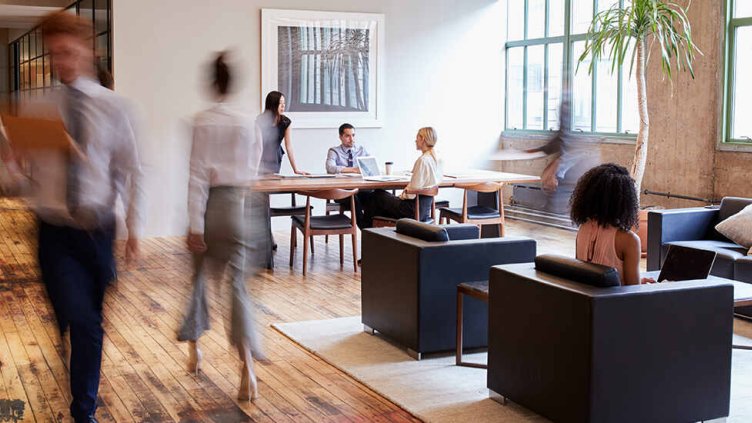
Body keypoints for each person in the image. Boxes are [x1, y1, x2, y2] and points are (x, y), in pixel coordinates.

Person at [0, 12, 144, 423]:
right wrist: (11, 163)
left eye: (66, 52)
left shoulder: (116, 107)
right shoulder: (37, 106)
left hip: (98, 230)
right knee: (79, 319)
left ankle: (82, 402)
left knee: (87, 323)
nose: (59, 62)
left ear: (87, 50)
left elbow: (130, 170)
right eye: (53, 54)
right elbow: (17, 181)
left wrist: (135, 227)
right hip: (54, 231)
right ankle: (85, 413)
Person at [178, 52, 262, 402]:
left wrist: (194, 225)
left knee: (198, 279)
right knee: (237, 288)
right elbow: (254, 168)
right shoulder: (248, 123)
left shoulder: (201, 121)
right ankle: (247, 371)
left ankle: (195, 351)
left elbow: (197, 175)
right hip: (240, 208)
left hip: (212, 207)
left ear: (212, 83)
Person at [570, 163, 653, 285]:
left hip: (587, 300)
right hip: (614, 303)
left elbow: (587, 276)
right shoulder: (629, 240)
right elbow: (634, 291)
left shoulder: (583, 228)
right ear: (626, 200)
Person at [360, 127, 442, 229]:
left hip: (411, 210)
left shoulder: (423, 160)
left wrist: (402, 195)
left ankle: (366, 229)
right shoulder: (436, 158)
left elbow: (412, 191)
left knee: (377, 194)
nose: (415, 140)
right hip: (424, 210)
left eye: (417, 137)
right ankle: (371, 230)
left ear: (423, 139)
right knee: (378, 203)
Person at [256, 91, 307, 175]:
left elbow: (289, 146)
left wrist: (295, 169)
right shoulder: (260, 121)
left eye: (284, 103)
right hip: (259, 155)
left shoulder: (285, 122)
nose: (283, 106)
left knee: (272, 182)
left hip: (275, 155)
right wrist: (255, 171)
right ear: (272, 104)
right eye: (280, 103)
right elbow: (258, 147)